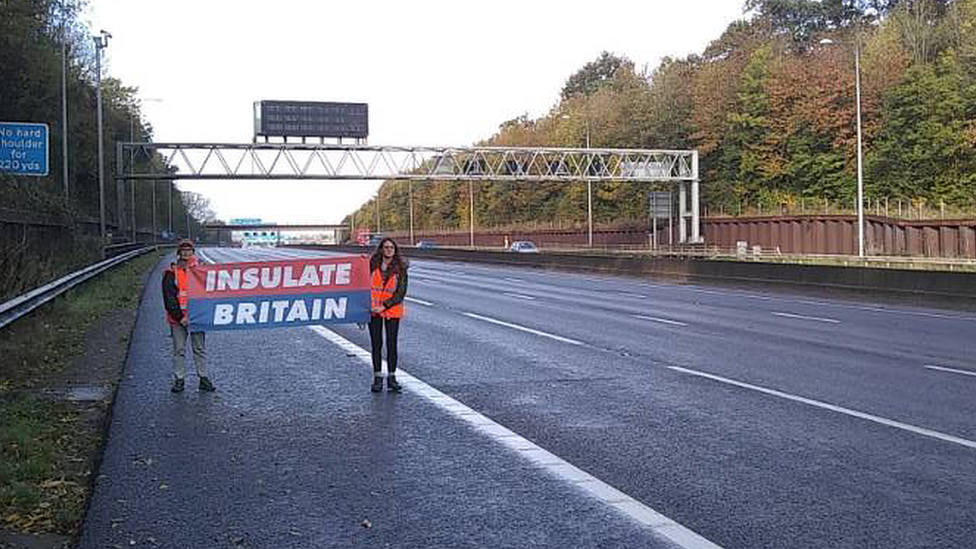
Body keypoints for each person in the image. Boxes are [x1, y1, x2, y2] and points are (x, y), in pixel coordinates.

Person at [162, 239, 215, 393]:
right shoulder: (171, 273)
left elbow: (211, 292)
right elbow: (169, 299)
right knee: (179, 350)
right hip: (178, 319)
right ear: (179, 253)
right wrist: (180, 317)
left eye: (189, 250)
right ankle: (179, 380)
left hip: (197, 318)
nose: (186, 252)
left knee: (199, 348)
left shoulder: (201, 270)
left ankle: (203, 378)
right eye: (183, 250)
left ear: (193, 252)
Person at [368, 237, 408, 393]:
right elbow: (361, 284)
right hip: (373, 311)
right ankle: (378, 378)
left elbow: (401, 292)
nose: (389, 250)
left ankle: (392, 378)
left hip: (391, 310)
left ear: (395, 250)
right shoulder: (371, 266)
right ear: (381, 249)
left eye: (391, 247)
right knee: (376, 344)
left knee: (392, 344)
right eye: (386, 247)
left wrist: (384, 306)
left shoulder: (401, 268)